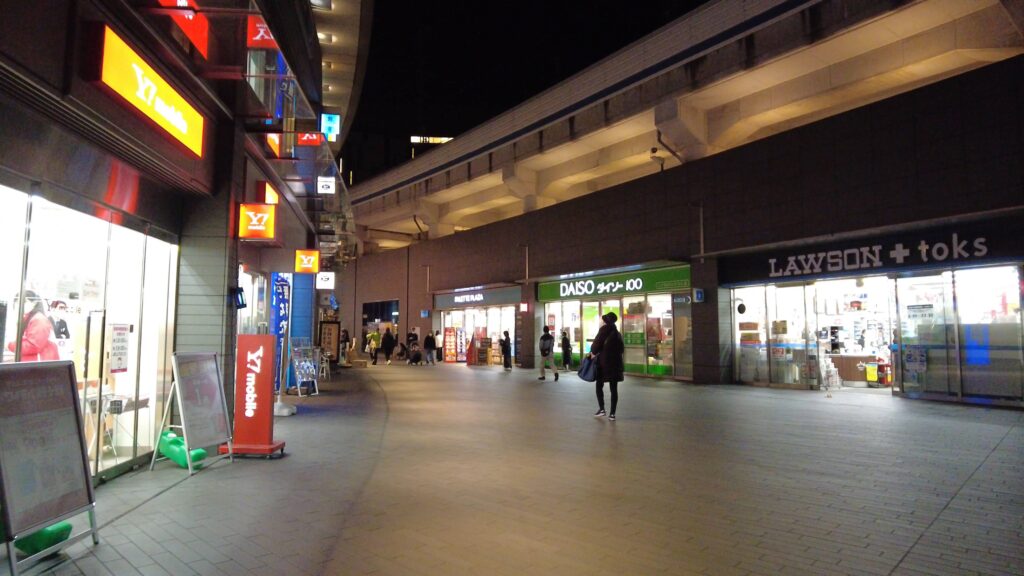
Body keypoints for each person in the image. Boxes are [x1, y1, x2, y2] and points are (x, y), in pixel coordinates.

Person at [589, 312, 624, 420]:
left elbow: (595, 346)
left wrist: (592, 353)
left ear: (606, 321)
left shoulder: (603, 330)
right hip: (615, 364)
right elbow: (622, 349)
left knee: (599, 386)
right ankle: (612, 414)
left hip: (603, 364)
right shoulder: (618, 333)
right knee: (614, 389)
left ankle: (602, 409)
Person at [7, 290, 59, 362]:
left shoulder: (39, 320)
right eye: (16, 301)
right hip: (34, 363)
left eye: (24, 301)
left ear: (34, 303)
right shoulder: (27, 319)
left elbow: (33, 346)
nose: (18, 304)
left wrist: (9, 345)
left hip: (40, 364)